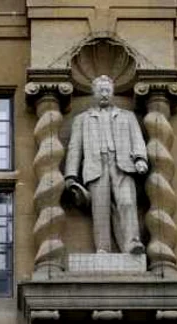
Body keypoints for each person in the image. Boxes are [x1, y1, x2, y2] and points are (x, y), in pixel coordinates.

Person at [65, 74, 149, 254]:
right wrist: (71, 176)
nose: (104, 94)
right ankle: (103, 248)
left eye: (107, 90)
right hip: (96, 166)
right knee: (100, 210)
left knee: (127, 202)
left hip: (123, 165)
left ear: (112, 92)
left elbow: (137, 139)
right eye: (100, 90)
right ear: (94, 93)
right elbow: (74, 148)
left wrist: (141, 159)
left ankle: (133, 243)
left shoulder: (127, 116)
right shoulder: (82, 119)